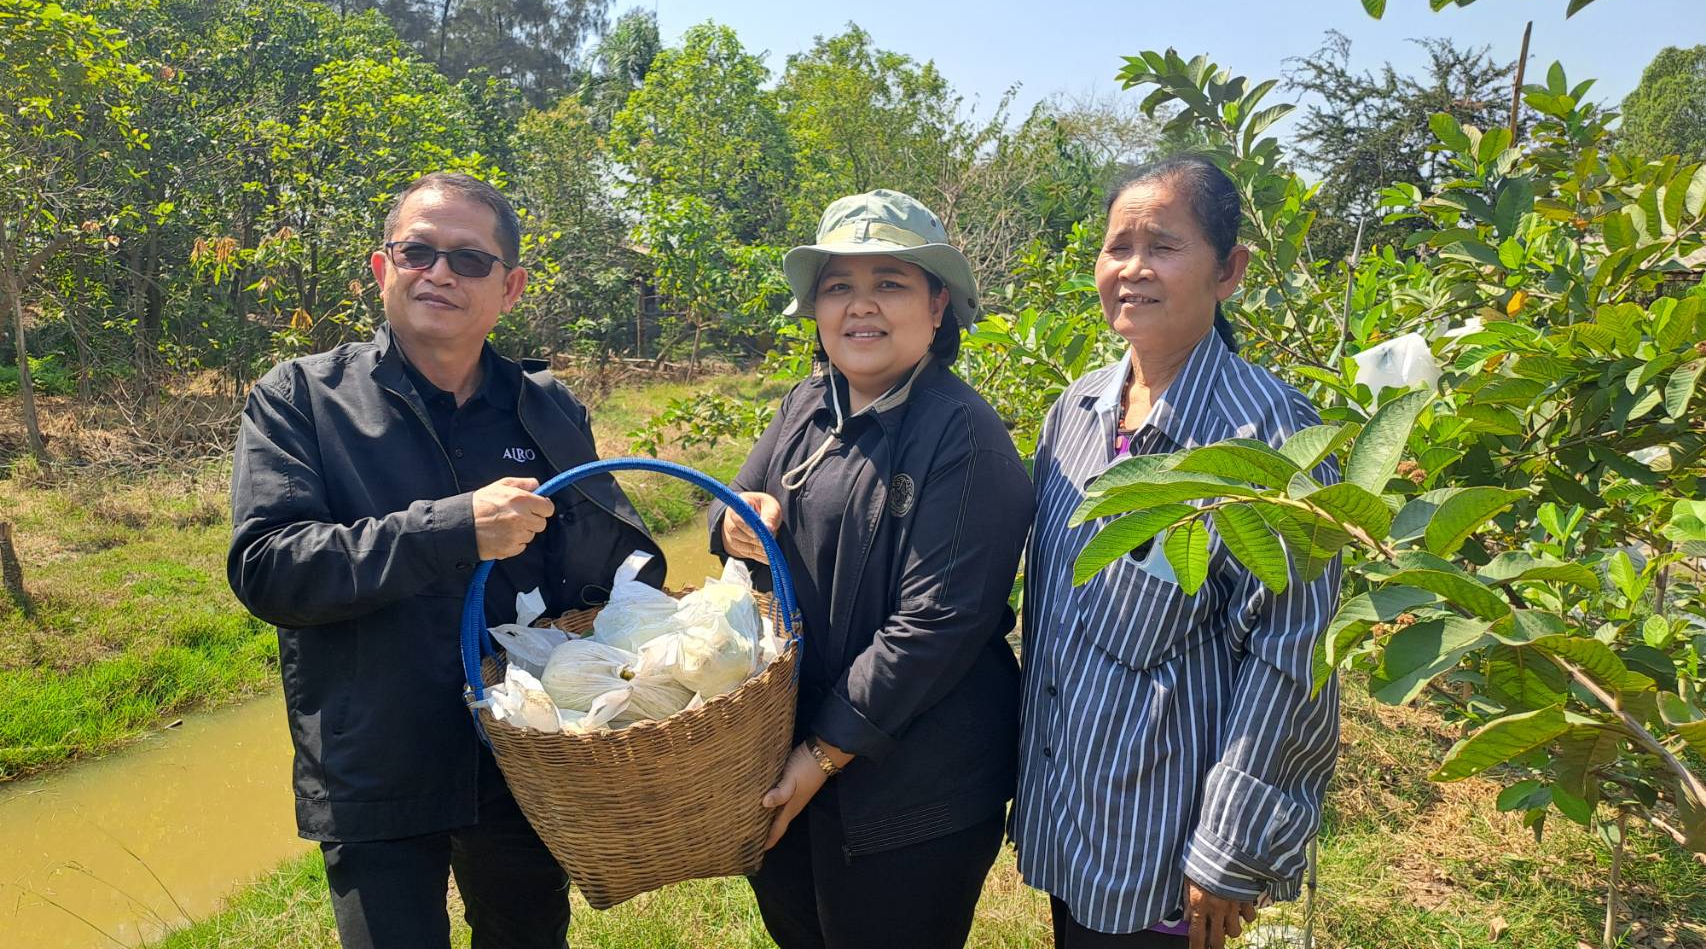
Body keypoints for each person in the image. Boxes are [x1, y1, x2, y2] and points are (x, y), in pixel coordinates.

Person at [227, 172, 662, 949]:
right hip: (376, 757)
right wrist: (452, 528)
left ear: (511, 287)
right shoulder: (300, 400)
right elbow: (270, 567)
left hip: (523, 753)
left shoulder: (547, 407)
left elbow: (596, 566)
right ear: (381, 268)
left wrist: (657, 625)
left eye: (469, 260)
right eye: (418, 251)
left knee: (527, 935)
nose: (439, 273)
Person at [1011, 155, 1343, 949]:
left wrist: (1232, 844)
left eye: (1162, 246)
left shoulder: (1270, 437)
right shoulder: (1077, 410)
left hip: (1167, 839)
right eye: (1116, 246)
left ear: (1229, 271)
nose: (1132, 269)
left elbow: (1294, 657)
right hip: (1070, 813)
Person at [711, 189, 1034, 948]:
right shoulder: (804, 408)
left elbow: (936, 627)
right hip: (793, 760)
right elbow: (731, 514)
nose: (861, 307)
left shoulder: (964, 438)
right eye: (838, 287)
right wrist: (730, 525)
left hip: (912, 792)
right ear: (816, 314)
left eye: (889, 282)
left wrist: (820, 755)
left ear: (938, 306)